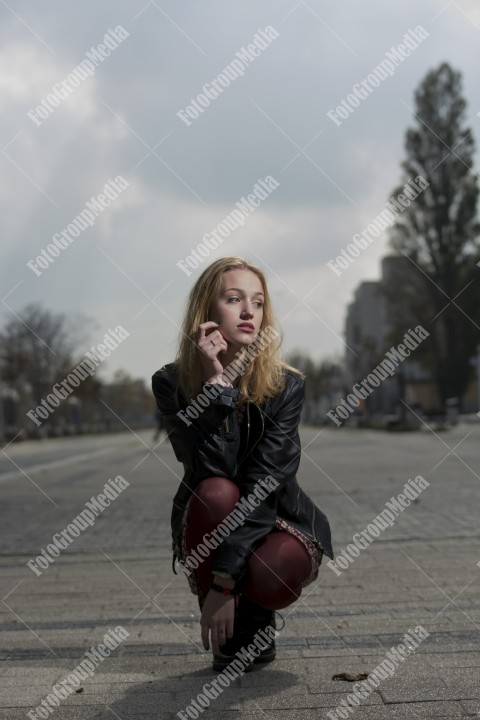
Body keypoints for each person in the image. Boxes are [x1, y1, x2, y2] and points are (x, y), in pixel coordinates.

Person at [152, 257, 333, 671]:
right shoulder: (171, 383)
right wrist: (218, 391)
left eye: (258, 301)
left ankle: (253, 618)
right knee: (217, 492)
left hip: (272, 516)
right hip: (210, 514)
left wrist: (223, 581)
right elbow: (206, 468)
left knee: (276, 568)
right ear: (207, 312)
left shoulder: (287, 385)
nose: (249, 311)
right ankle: (229, 627)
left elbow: (264, 485)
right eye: (234, 299)